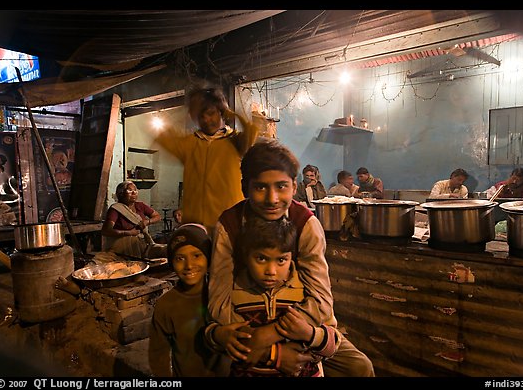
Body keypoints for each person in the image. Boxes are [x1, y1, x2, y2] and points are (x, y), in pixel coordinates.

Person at [207, 139, 375, 377]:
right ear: (245, 187)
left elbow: (320, 300)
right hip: (246, 325)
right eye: (261, 187)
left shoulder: (306, 223)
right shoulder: (230, 225)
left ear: (294, 186)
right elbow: (219, 302)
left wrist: (271, 336)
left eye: (281, 186)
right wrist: (265, 349)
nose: (272, 198)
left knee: (360, 368)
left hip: (301, 325)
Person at [209, 215, 341, 377]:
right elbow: (229, 340)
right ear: (245, 256)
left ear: (292, 257)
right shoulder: (236, 293)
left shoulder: (306, 294)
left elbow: (333, 344)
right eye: (261, 258)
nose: (271, 271)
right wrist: (275, 355)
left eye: (281, 260)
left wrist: (309, 333)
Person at [153, 83, 260, 234]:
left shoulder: (234, 140)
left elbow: (251, 132)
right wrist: (187, 111)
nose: (206, 120)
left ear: (221, 112)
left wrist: (232, 113)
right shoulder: (189, 143)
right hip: (195, 223)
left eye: (211, 113)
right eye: (200, 116)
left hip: (228, 221)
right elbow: (163, 137)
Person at [148, 224, 231, 377]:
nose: (189, 265)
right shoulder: (166, 304)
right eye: (180, 258)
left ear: (208, 258)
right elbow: (158, 354)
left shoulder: (221, 296)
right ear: (172, 263)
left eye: (197, 255)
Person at [101, 180, 166, 259]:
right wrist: (128, 232)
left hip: (143, 243)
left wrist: (147, 222)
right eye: (130, 190)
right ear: (121, 194)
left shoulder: (140, 205)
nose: (134, 193)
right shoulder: (116, 209)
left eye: (135, 190)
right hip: (123, 247)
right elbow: (106, 231)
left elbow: (157, 217)